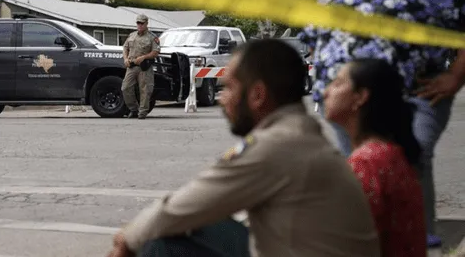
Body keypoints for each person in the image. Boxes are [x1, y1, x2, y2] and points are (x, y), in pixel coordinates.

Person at [107, 39, 380, 257]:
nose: (222, 99)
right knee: (184, 226)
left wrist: (128, 238)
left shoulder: (279, 145)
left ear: (257, 95)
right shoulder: (297, 133)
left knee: (160, 240)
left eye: (228, 88)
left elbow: (180, 208)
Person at [298, 0, 465, 244]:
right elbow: (314, 35)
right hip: (346, 102)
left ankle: (417, 242)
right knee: (360, 173)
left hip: (413, 98)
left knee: (407, 161)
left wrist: (456, 75)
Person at [323, 58, 426, 257]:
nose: (326, 92)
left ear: (360, 97)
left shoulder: (367, 164)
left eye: (337, 84)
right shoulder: (388, 154)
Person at [122, 14, 160, 120]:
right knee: (125, 87)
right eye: (138, 23)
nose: (139, 25)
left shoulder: (152, 37)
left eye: (142, 23)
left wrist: (144, 57)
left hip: (144, 67)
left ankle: (142, 112)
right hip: (131, 66)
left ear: (146, 24)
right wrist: (125, 59)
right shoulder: (132, 35)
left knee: (145, 90)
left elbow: (155, 52)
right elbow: (125, 48)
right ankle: (134, 109)